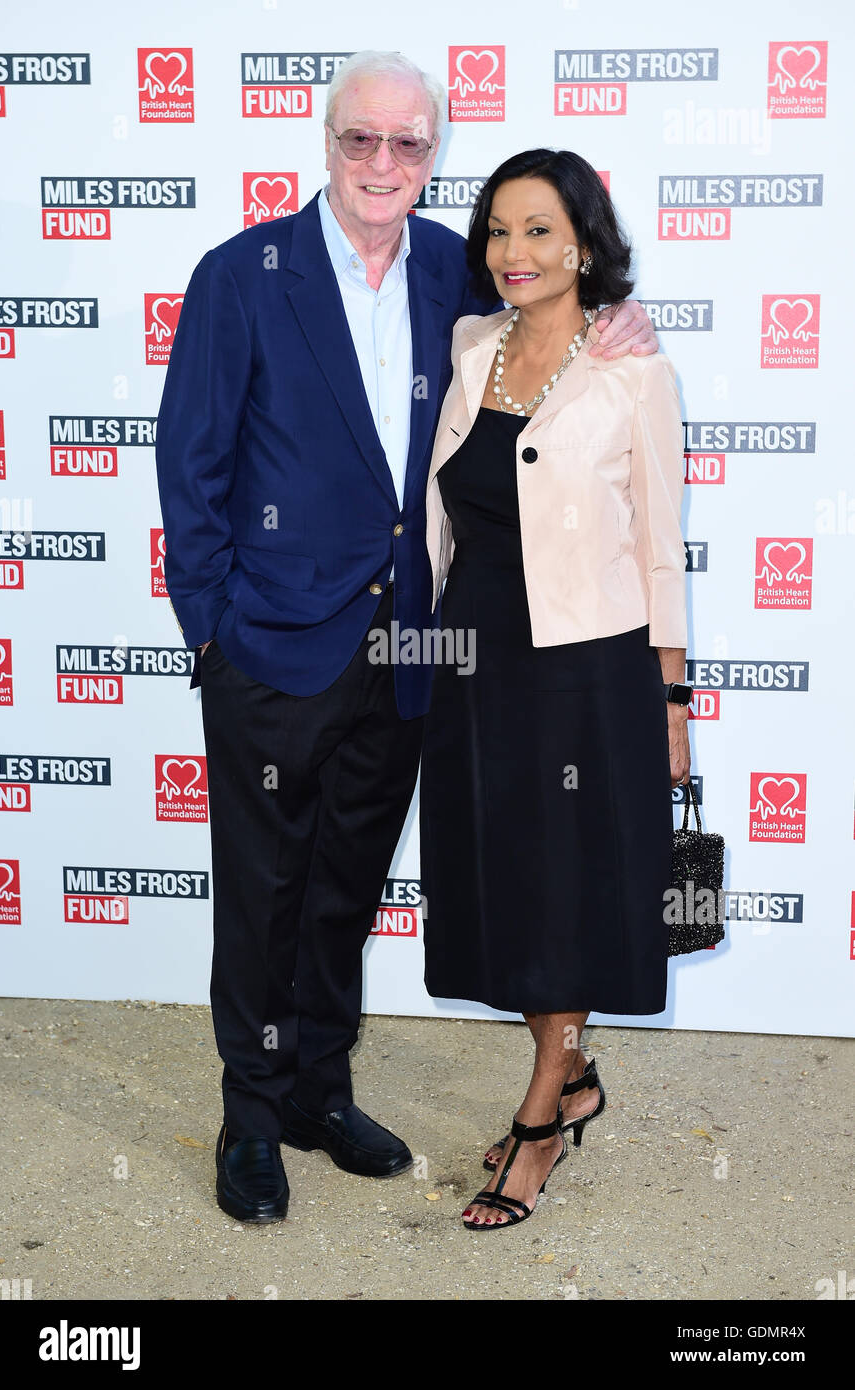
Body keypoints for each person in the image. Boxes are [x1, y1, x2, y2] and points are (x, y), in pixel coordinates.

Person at [155, 52, 659, 1225]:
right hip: (270, 646)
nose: (383, 163)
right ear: (324, 142)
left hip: (415, 647)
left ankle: (320, 1088)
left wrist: (616, 326)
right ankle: (251, 1111)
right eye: (359, 139)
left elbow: (558, 340)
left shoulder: (457, 267)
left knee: (344, 886)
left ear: (435, 153)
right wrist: (213, 630)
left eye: (409, 144)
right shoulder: (242, 275)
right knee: (261, 891)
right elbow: (192, 469)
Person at [420, 148, 692, 1231]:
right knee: (508, 883)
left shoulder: (633, 368)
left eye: (537, 230)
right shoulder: (469, 342)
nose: (512, 253)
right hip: (474, 656)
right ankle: (568, 1075)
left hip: (586, 666)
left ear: (582, 239)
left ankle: (542, 1114)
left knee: (569, 887)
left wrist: (671, 702)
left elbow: (661, 545)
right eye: (496, 230)